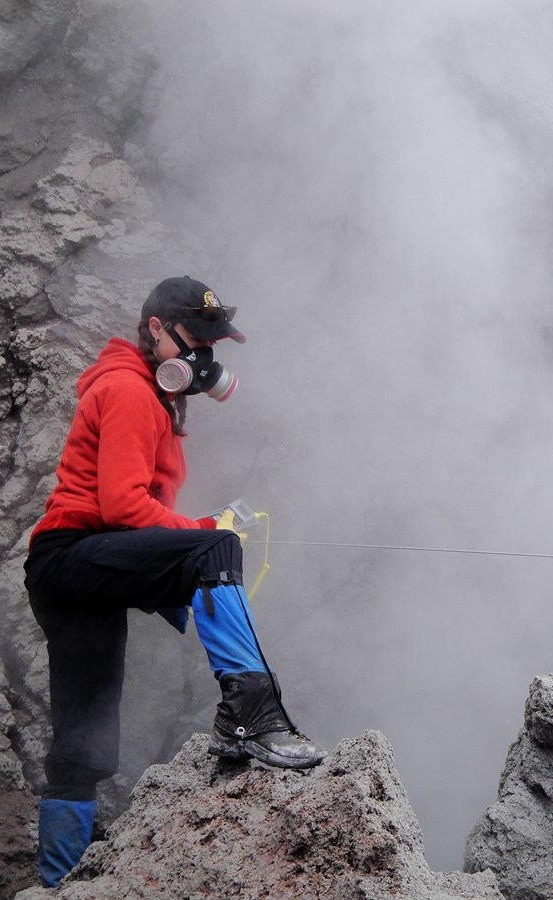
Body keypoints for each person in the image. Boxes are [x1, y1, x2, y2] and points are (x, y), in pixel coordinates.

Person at [24, 276, 327, 888]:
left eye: (214, 343)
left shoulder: (143, 392)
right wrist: (203, 532)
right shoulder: (131, 391)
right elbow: (123, 507)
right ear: (156, 329)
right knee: (215, 548)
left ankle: (56, 885)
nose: (204, 357)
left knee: (85, 733)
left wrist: (195, 534)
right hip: (75, 551)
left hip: (70, 566)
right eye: (196, 338)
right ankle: (251, 721)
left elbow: (130, 517)